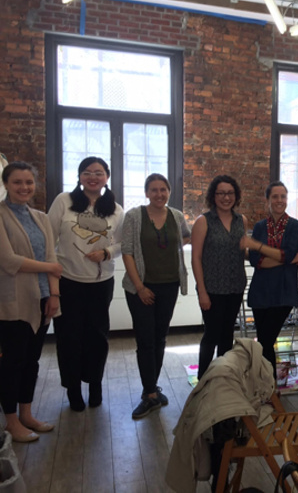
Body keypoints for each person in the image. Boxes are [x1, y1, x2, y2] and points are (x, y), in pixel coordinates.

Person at [48, 157, 124, 411]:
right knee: (68, 337)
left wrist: (107, 253)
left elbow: (122, 243)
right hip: (67, 281)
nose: (93, 177)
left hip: (101, 282)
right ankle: (73, 389)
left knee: (97, 337)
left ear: (106, 177)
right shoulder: (64, 201)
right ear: (80, 176)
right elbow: (49, 238)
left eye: (99, 173)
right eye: (87, 172)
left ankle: (95, 384)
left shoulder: (115, 209)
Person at [0, 162, 62, 442]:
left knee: (32, 361)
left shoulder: (41, 217)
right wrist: (50, 268)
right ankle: (11, 421)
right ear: (6, 184)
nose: (24, 187)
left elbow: (52, 256)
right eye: (17, 182)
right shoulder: (1, 215)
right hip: (13, 302)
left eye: (29, 182)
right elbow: (7, 260)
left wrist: (54, 295)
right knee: (13, 361)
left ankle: (26, 414)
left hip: (42, 298)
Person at [121, 173, 191, 419]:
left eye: (163, 189)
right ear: (146, 193)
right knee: (145, 339)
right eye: (154, 190)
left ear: (169, 191)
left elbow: (186, 235)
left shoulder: (177, 216)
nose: (159, 194)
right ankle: (149, 392)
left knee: (160, 338)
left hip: (169, 285)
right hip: (140, 288)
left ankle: (152, 388)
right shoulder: (134, 216)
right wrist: (140, 287)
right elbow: (127, 251)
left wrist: (171, 248)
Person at [244, 181, 298, 380]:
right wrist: (283, 258)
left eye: (283, 196)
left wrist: (258, 247)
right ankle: (268, 385)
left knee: (266, 340)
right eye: (275, 197)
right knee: (264, 341)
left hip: (284, 292)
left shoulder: (295, 226)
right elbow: (255, 261)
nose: (279, 200)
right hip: (261, 291)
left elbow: (289, 254)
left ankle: (268, 385)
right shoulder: (260, 226)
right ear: (267, 200)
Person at [191, 175, 247, 380]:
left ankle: (222, 379)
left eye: (230, 193)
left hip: (235, 287)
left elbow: (243, 251)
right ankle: (203, 380)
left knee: (227, 335)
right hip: (212, 289)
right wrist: (202, 292)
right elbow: (196, 258)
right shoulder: (203, 221)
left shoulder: (242, 220)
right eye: (221, 193)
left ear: (236, 195)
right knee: (212, 335)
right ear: (213, 196)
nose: (226, 197)